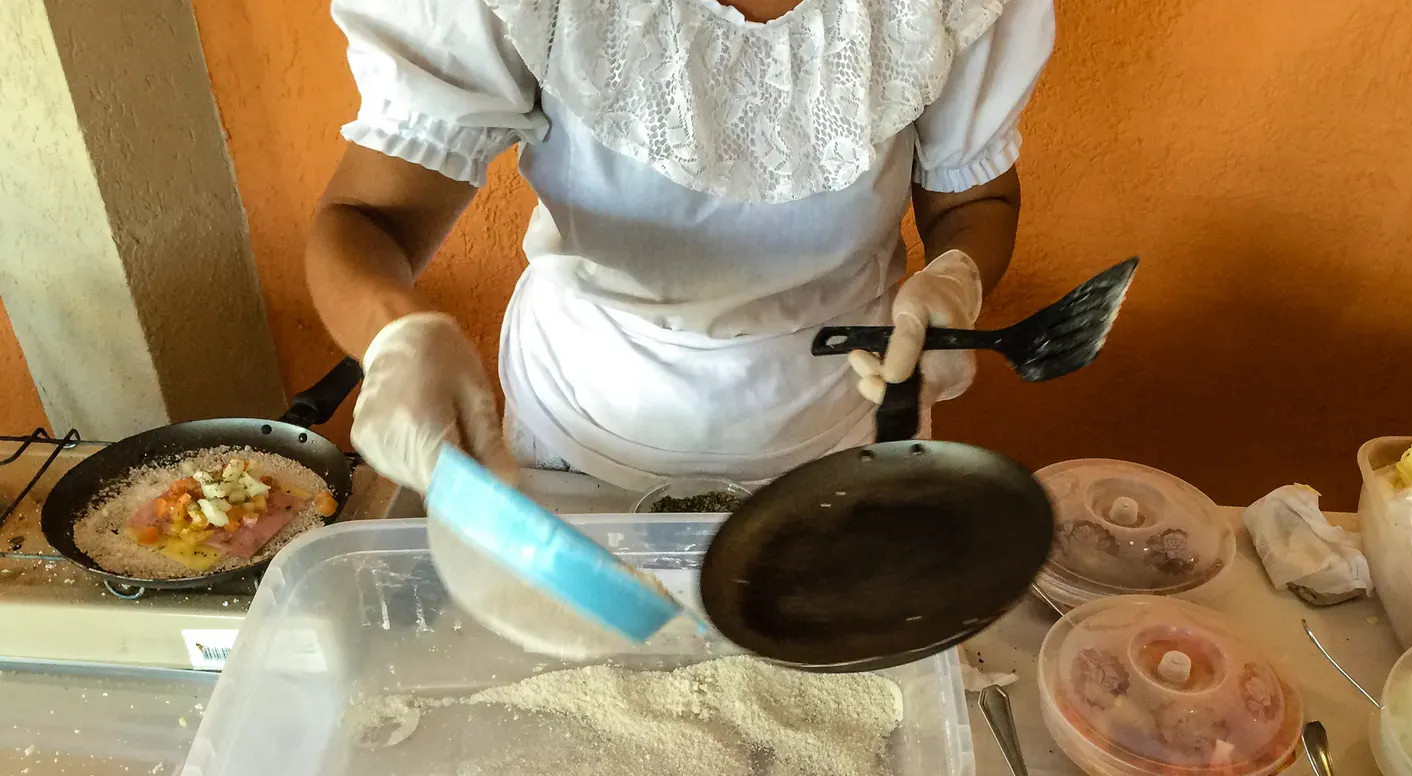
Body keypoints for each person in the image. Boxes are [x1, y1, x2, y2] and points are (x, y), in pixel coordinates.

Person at [307, 0, 1057, 494]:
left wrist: (956, 282)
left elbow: (975, 197)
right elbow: (366, 217)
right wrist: (398, 337)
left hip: (846, 427)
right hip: (583, 428)